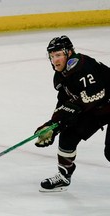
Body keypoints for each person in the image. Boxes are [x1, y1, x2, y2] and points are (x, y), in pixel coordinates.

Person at [34, 35, 110, 192]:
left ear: (69, 53)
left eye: (58, 55)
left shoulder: (84, 66)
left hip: (103, 104)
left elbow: (95, 95)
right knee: (68, 136)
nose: (55, 60)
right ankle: (64, 176)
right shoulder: (60, 75)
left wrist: (68, 112)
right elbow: (63, 102)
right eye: (52, 56)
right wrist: (53, 124)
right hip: (97, 110)